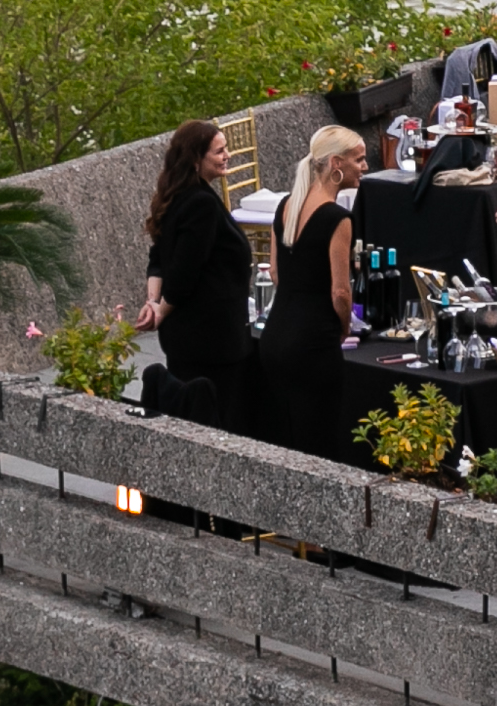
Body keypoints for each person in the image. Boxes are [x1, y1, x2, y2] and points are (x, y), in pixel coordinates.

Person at [252, 122, 370, 458]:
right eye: (359, 159)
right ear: (336, 164)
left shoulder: (286, 206)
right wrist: (344, 326)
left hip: (275, 336)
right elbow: (340, 292)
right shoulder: (338, 219)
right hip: (313, 344)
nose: (364, 167)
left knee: (284, 440)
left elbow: (276, 272)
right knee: (318, 444)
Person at [139, 117, 256, 407]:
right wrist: (159, 311)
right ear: (195, 160)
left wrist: (153, 302)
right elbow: (183, 274)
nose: (227, 156)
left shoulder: (176, 196)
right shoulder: (201, 204)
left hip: (188, 338)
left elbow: (158, 258)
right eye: (219, 151)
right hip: (210, 341)